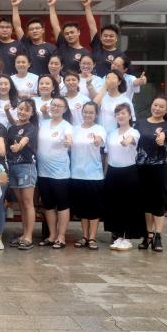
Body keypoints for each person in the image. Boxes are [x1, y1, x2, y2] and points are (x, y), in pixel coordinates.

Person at [103, 103, 145, 251]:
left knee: (129, 205)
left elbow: (131, 140)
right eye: (118, 114)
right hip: (112, 172)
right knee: (115, 205)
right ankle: (119, 235)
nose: (120, 116)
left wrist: (126, 141)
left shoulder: (134, 132)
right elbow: (108, 155)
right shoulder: (111, 134)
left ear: (130, 115)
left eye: (123, 113)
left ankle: (128, 237)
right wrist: (106, 173)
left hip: (129, 172)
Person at [136, 95, 167, 253]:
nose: (157, 108)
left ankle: (158, 236)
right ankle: (148, 234)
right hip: (141, 168)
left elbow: (163, 138)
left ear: (166, 110)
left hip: (159, 169)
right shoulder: (140, 123)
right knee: (146, 203)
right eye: (155, 105)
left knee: (158, 203)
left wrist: (161, 138)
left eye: (161, 106)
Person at [36, 97, 73, 249]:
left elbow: (69, 138)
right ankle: (52, 235)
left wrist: (68, 141)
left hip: (60, 172)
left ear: (65, 109)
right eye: (53, 105)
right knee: (48, 205)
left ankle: (61, 236)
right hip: (43, 171)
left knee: (62, 204)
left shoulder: (67, 126)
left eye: (59, 106)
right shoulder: (43, 123)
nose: (55, 108)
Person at [70, 102, 107, 251]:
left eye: (91, 112)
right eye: (85, 112)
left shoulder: (99, 129)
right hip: (76, 174)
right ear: (82, 113)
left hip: (94, 175)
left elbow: (100, 140)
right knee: (82, 209)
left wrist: (97, 140)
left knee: (94, 209)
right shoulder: (74, 129)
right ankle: (84, 236)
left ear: (96, 114)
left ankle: (92, 237)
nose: (88, 115)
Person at [7, 99, 39, 250]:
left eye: (26, 110)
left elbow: (25, 139)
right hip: (13, 167)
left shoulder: (31, 127)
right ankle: (24, 234)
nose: (22, 112)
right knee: (21, 204)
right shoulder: (11, 128)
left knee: (27, 203)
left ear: (32, 113)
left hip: (26, 167)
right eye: (20, 109)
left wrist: (19, 145)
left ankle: (29, 237)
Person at [83, 0, 126, 76]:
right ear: (101, 37)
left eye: (111, 36)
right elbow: (92, 27)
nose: (108, 38)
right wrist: (87, 7)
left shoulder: (120, 55)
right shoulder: (97, 46)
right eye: (105, 36)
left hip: (110, 83)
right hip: (93, 82)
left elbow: (125, 74)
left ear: (116, 38)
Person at [12, 1, 57, 75]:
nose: (34, 31)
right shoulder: (25, 43)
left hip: (44, 81)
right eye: (31, 29)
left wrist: (52, 6)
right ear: (28, 32)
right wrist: (15, 7)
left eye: (37, 28)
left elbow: (55, 67)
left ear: (43, 30)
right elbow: (17, 27)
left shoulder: (51, 48)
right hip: (28, 81)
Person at [48, 0, 90, 73]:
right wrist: (51, 6)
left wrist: (87, 7)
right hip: (60, 80)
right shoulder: (62, 45)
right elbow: (55, 26)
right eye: (66, 34)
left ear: (78, 32)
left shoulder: (85, 53)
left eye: (72, 32)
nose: (70, 35)